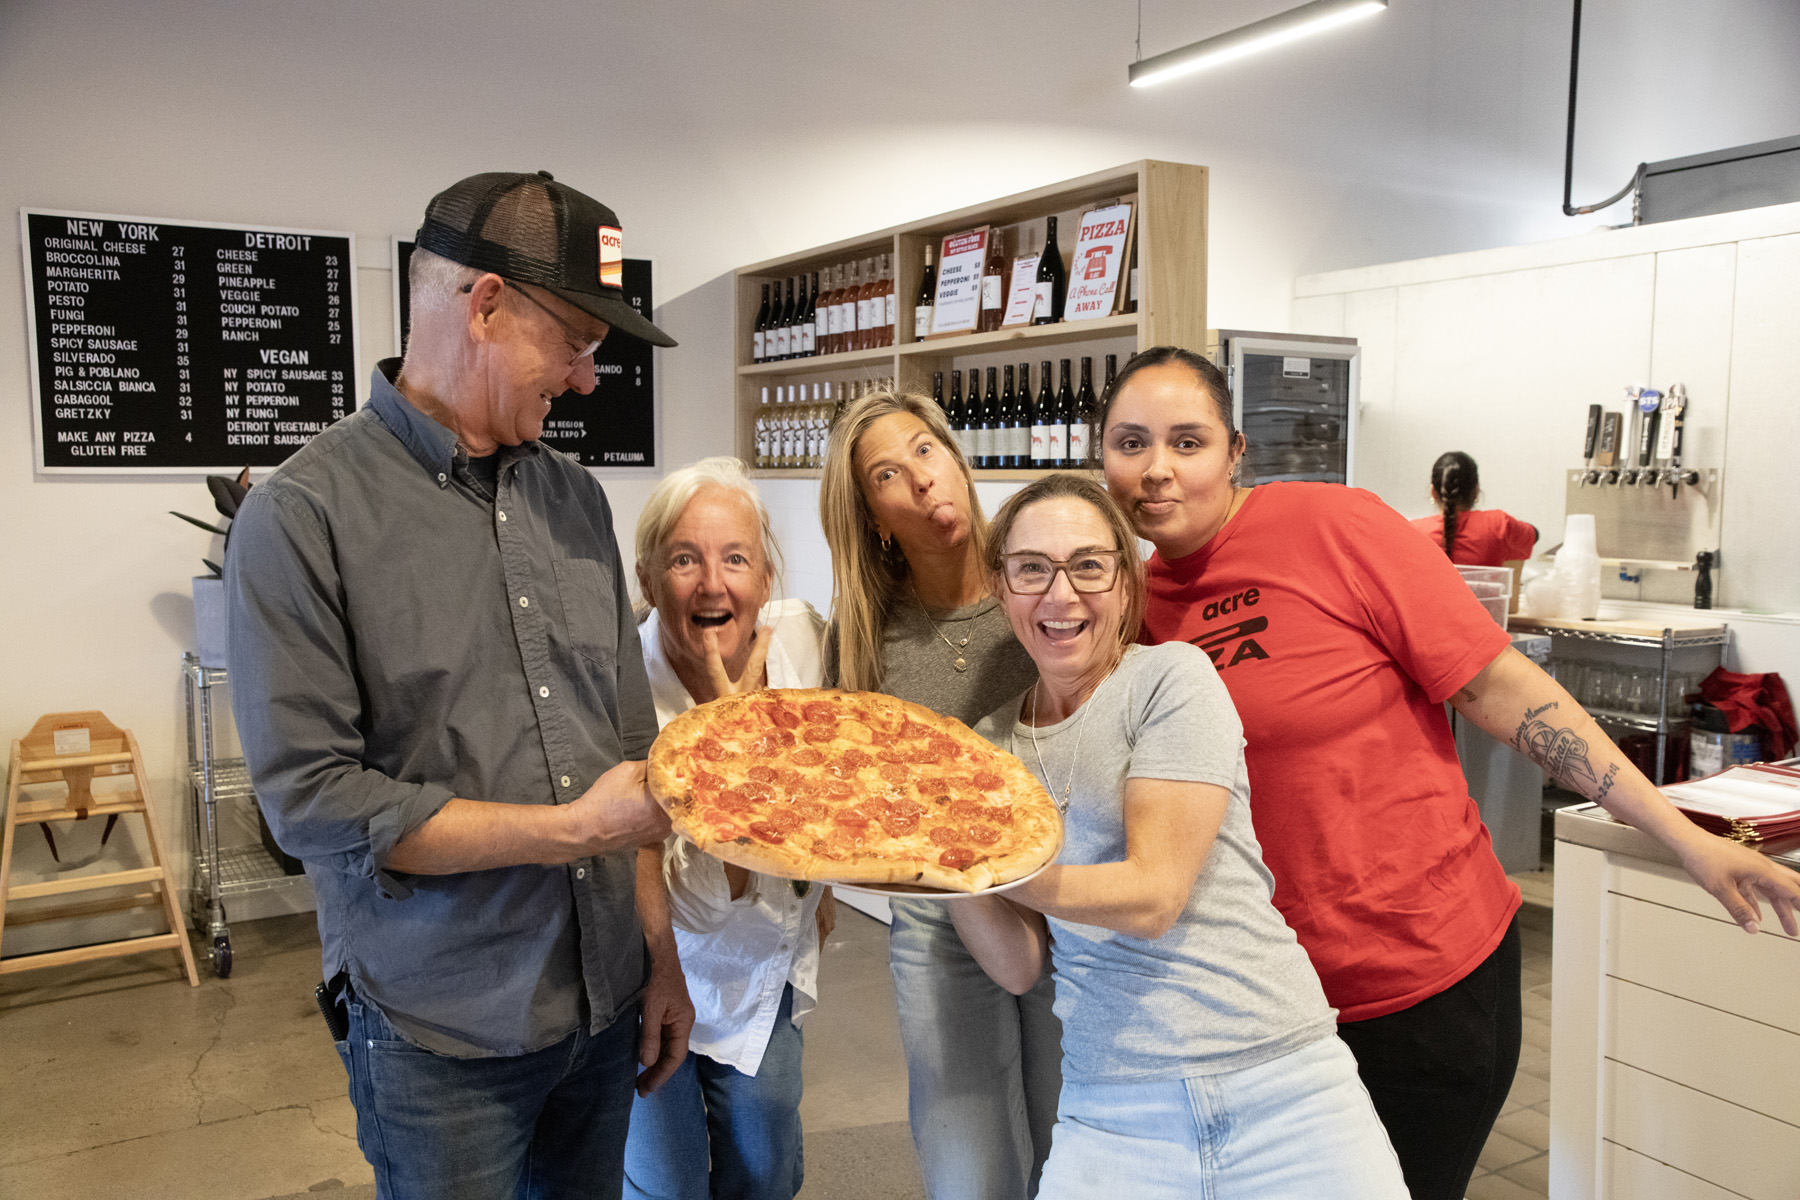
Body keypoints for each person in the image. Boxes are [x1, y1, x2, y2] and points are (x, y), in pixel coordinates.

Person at [1097, 346, 1800, 1200]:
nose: (1158, 470)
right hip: (1263, 1007)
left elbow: (1504, 691)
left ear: (1237, 451)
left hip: (1418, 984)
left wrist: (1678, 835)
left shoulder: (1334, 525)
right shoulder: (1124, 605)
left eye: (1187, 441)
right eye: (1131, 443)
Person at [226, 171, 693, 1200]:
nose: (583, 380)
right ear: (484, 305)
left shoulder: (575, 499)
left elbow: (632, 762)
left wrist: (659, 958)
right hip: (441, 1032)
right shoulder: (303, 517)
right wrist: (575, 830)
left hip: (605, 1001)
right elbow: (314, 805)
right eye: (574, 342)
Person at [950, 473, 1408, 1199]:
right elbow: (1017, 966)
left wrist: (967, 862)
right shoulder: (988, 750)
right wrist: (931, 865)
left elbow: (1153, 894)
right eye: (1032, 568)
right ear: (1003, 590)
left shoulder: (1172, 678)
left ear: (1126, 584)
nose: (1060, 595)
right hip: (1112, 1105)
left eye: (1088, 566)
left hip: (1281, 1085)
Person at [817, 391, 1059, 1200]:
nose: (920, 480)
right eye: (889, 472)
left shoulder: (1043, 585)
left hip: (1068, 896)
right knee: (969, 1162)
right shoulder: (859, 632)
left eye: (926, 450)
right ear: (873, 513)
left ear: (956, 457)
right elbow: (842, 805)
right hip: (938, 918)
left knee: (1076, 1140)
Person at [623, 457, 834, 1200]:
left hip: (761, 969)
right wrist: (730, 736)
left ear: (766, 577)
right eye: (685, 559)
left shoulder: (805, 644)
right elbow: (702, 902)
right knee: (667, 1186)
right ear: (647, 582)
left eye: (735, 558)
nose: (714, 583)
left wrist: (824, 891)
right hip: (648, 967)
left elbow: (839, 787)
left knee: (766, 1170)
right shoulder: (620, 690)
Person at [1408, 450, 1537, 565]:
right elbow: (1534, 535)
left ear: (1433, 492)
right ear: (1476, 491)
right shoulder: (1498, 524)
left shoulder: (1413, 531)